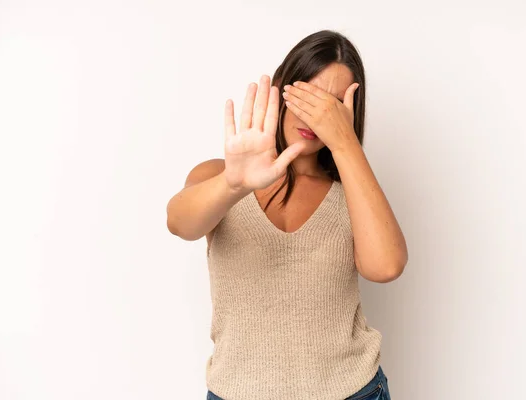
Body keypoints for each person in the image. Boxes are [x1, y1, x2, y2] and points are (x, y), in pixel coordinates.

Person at [166, 29, 408, 400]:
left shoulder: (354, 195)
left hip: (353, 391)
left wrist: (345, 143)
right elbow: (179, 223)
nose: (315, 114)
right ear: (280, 88)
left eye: (331, 105)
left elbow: (386, 266)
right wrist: (234, 183)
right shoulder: (220, 176)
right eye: (305, 94)